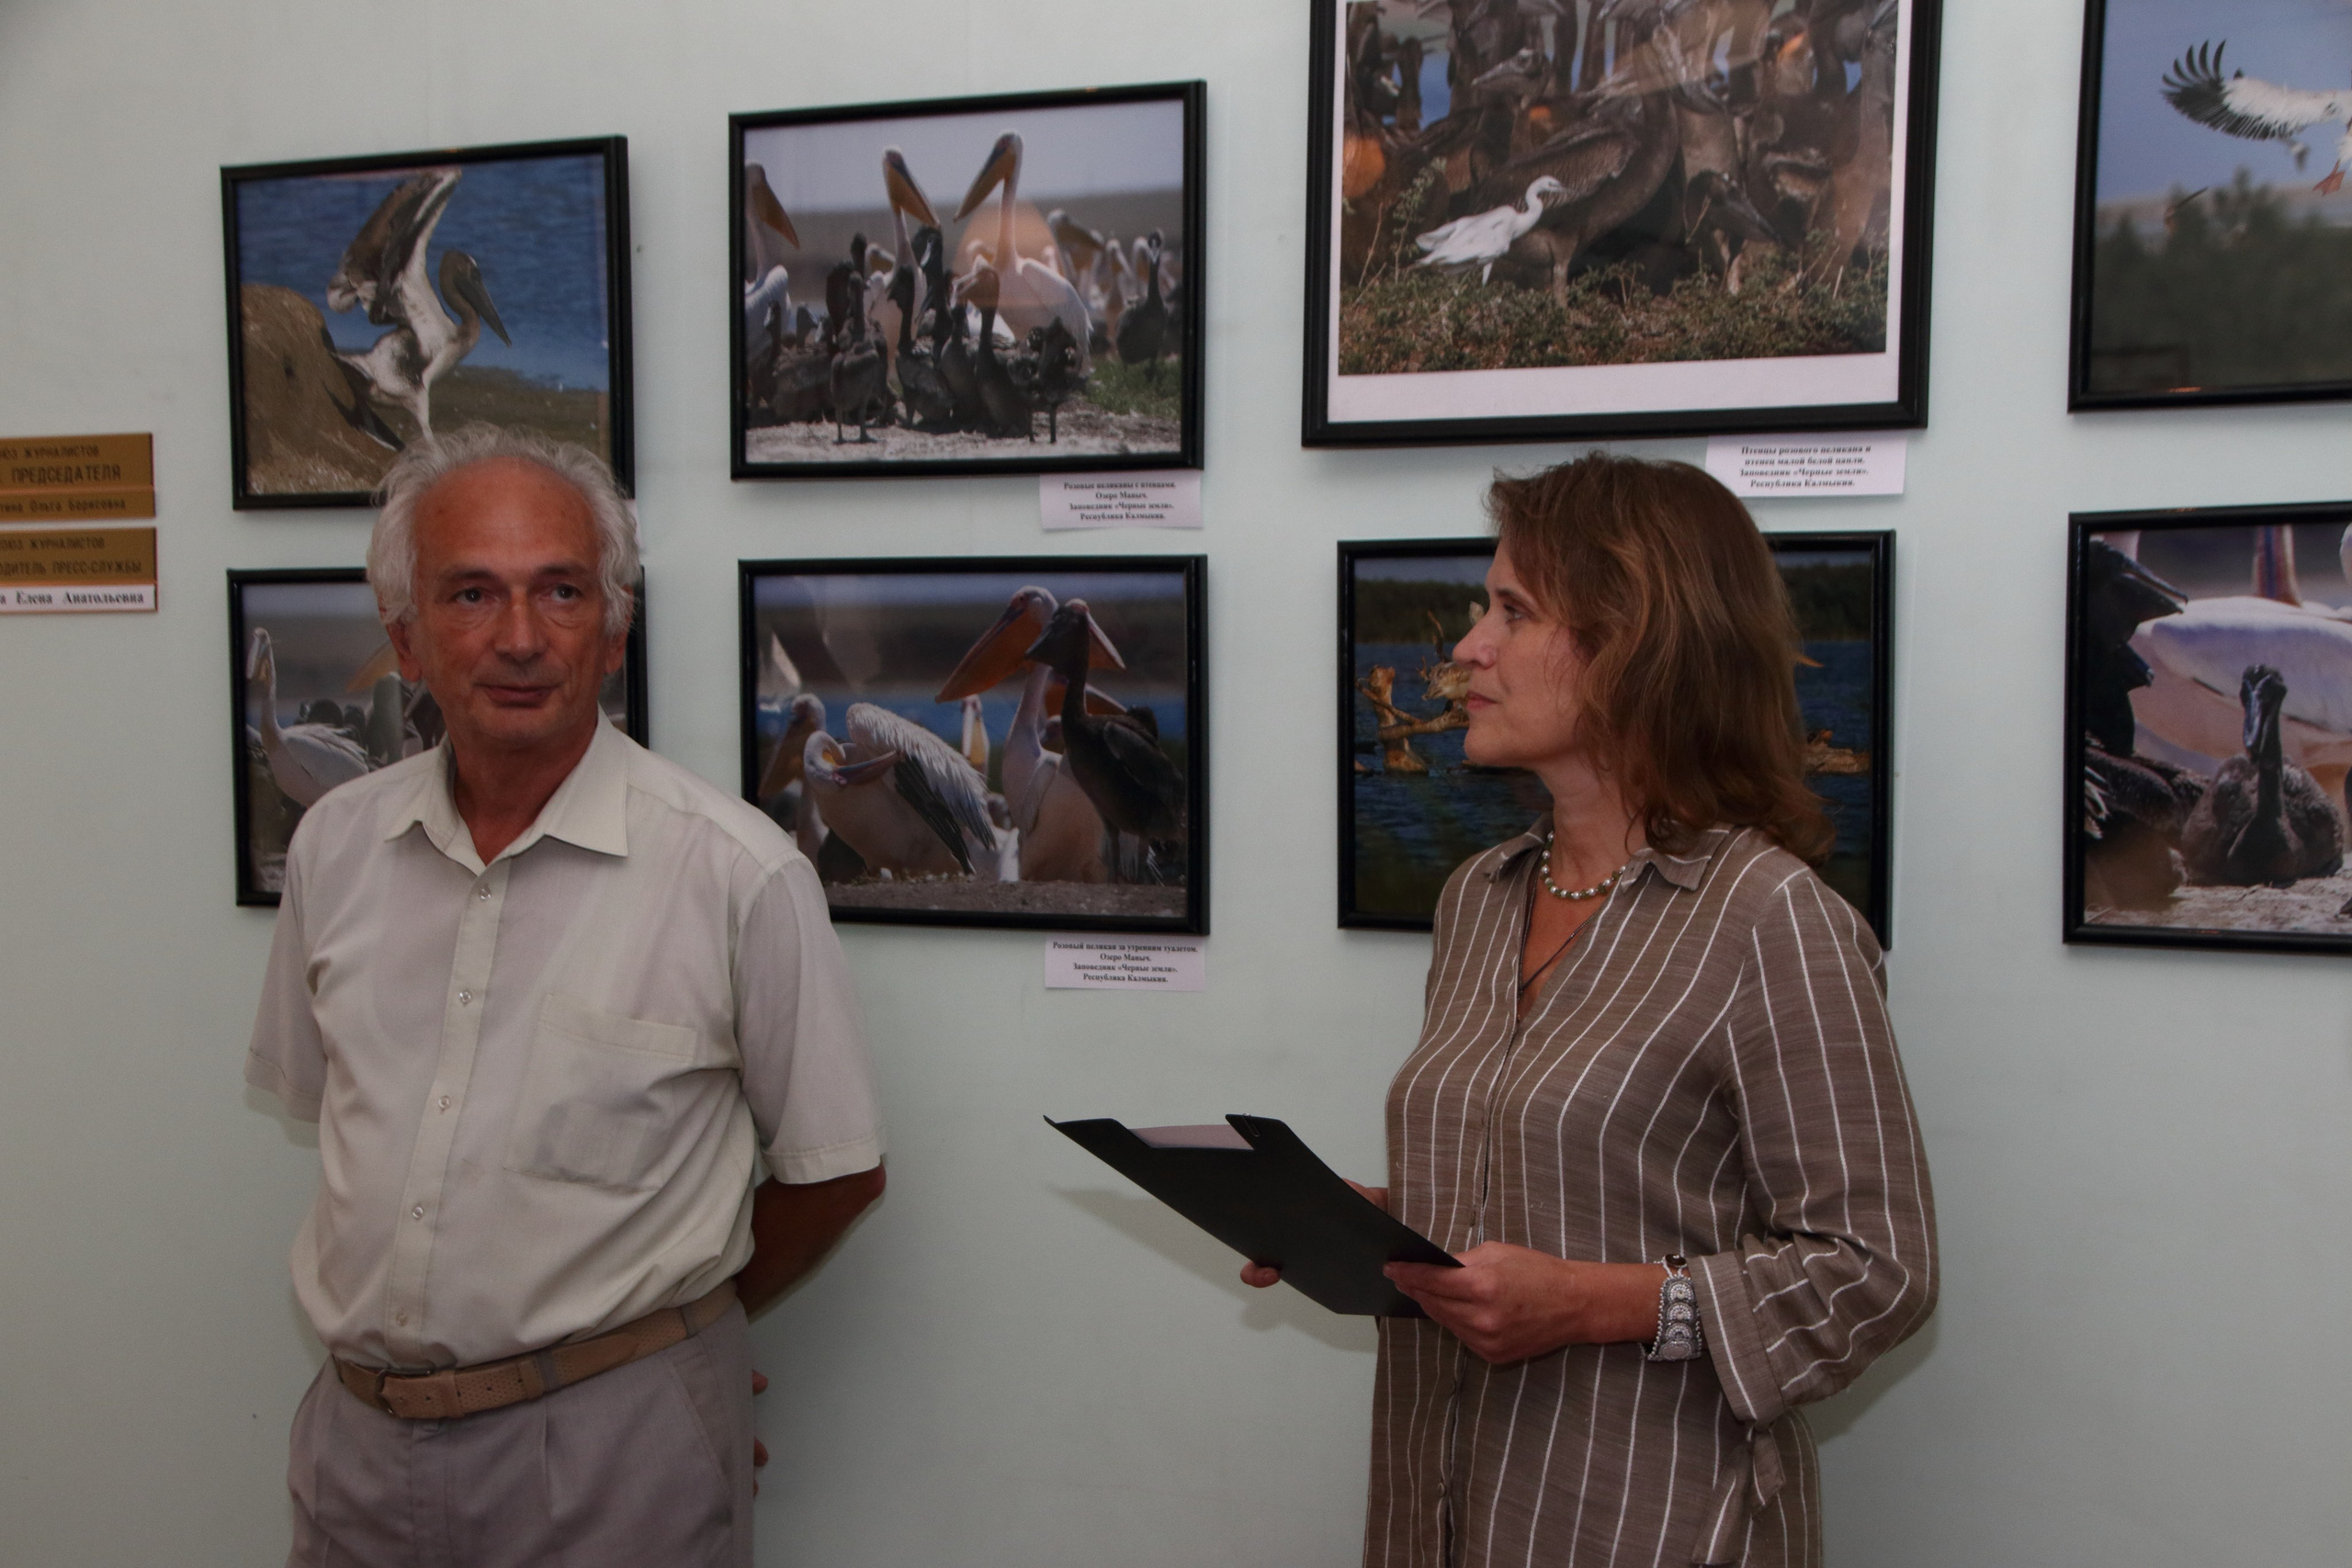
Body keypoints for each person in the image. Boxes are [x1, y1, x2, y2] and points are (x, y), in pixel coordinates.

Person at [1250, 453, 1936, 1567]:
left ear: (1635, 646)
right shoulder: (1479, 895)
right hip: (1439, 1510)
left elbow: (1876, 1269)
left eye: (1510, 611)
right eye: (1483, 607)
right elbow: (1558, 1190)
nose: (1466, 647)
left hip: (1652, 1521)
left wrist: (1592, 1304)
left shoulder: (1771, 918)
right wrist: (1374, 1228)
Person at [243, 425, 885, 1567]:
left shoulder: (735, 873)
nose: (522, 638)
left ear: (615, 629)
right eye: (472, 595)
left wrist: (682, 1345)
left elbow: (835, 1175)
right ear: (404, 637)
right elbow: (335, 1113)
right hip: (352, 1450)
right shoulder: (335, 844)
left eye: (563, 591)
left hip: (613, 1452)